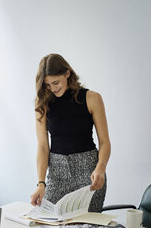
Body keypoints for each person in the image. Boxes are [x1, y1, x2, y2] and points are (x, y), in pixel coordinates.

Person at [30, 54, 111, 212]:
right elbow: (42, 146)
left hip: (89, 173)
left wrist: (101, 168)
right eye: (47, 85)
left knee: (85, 224)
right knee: (46, 220)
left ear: (67, 73)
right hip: (57, 174)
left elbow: (105, 142)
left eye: (56, 82)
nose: (53, 88)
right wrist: (41, 184)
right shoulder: (42, 104)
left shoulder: (92, 98)